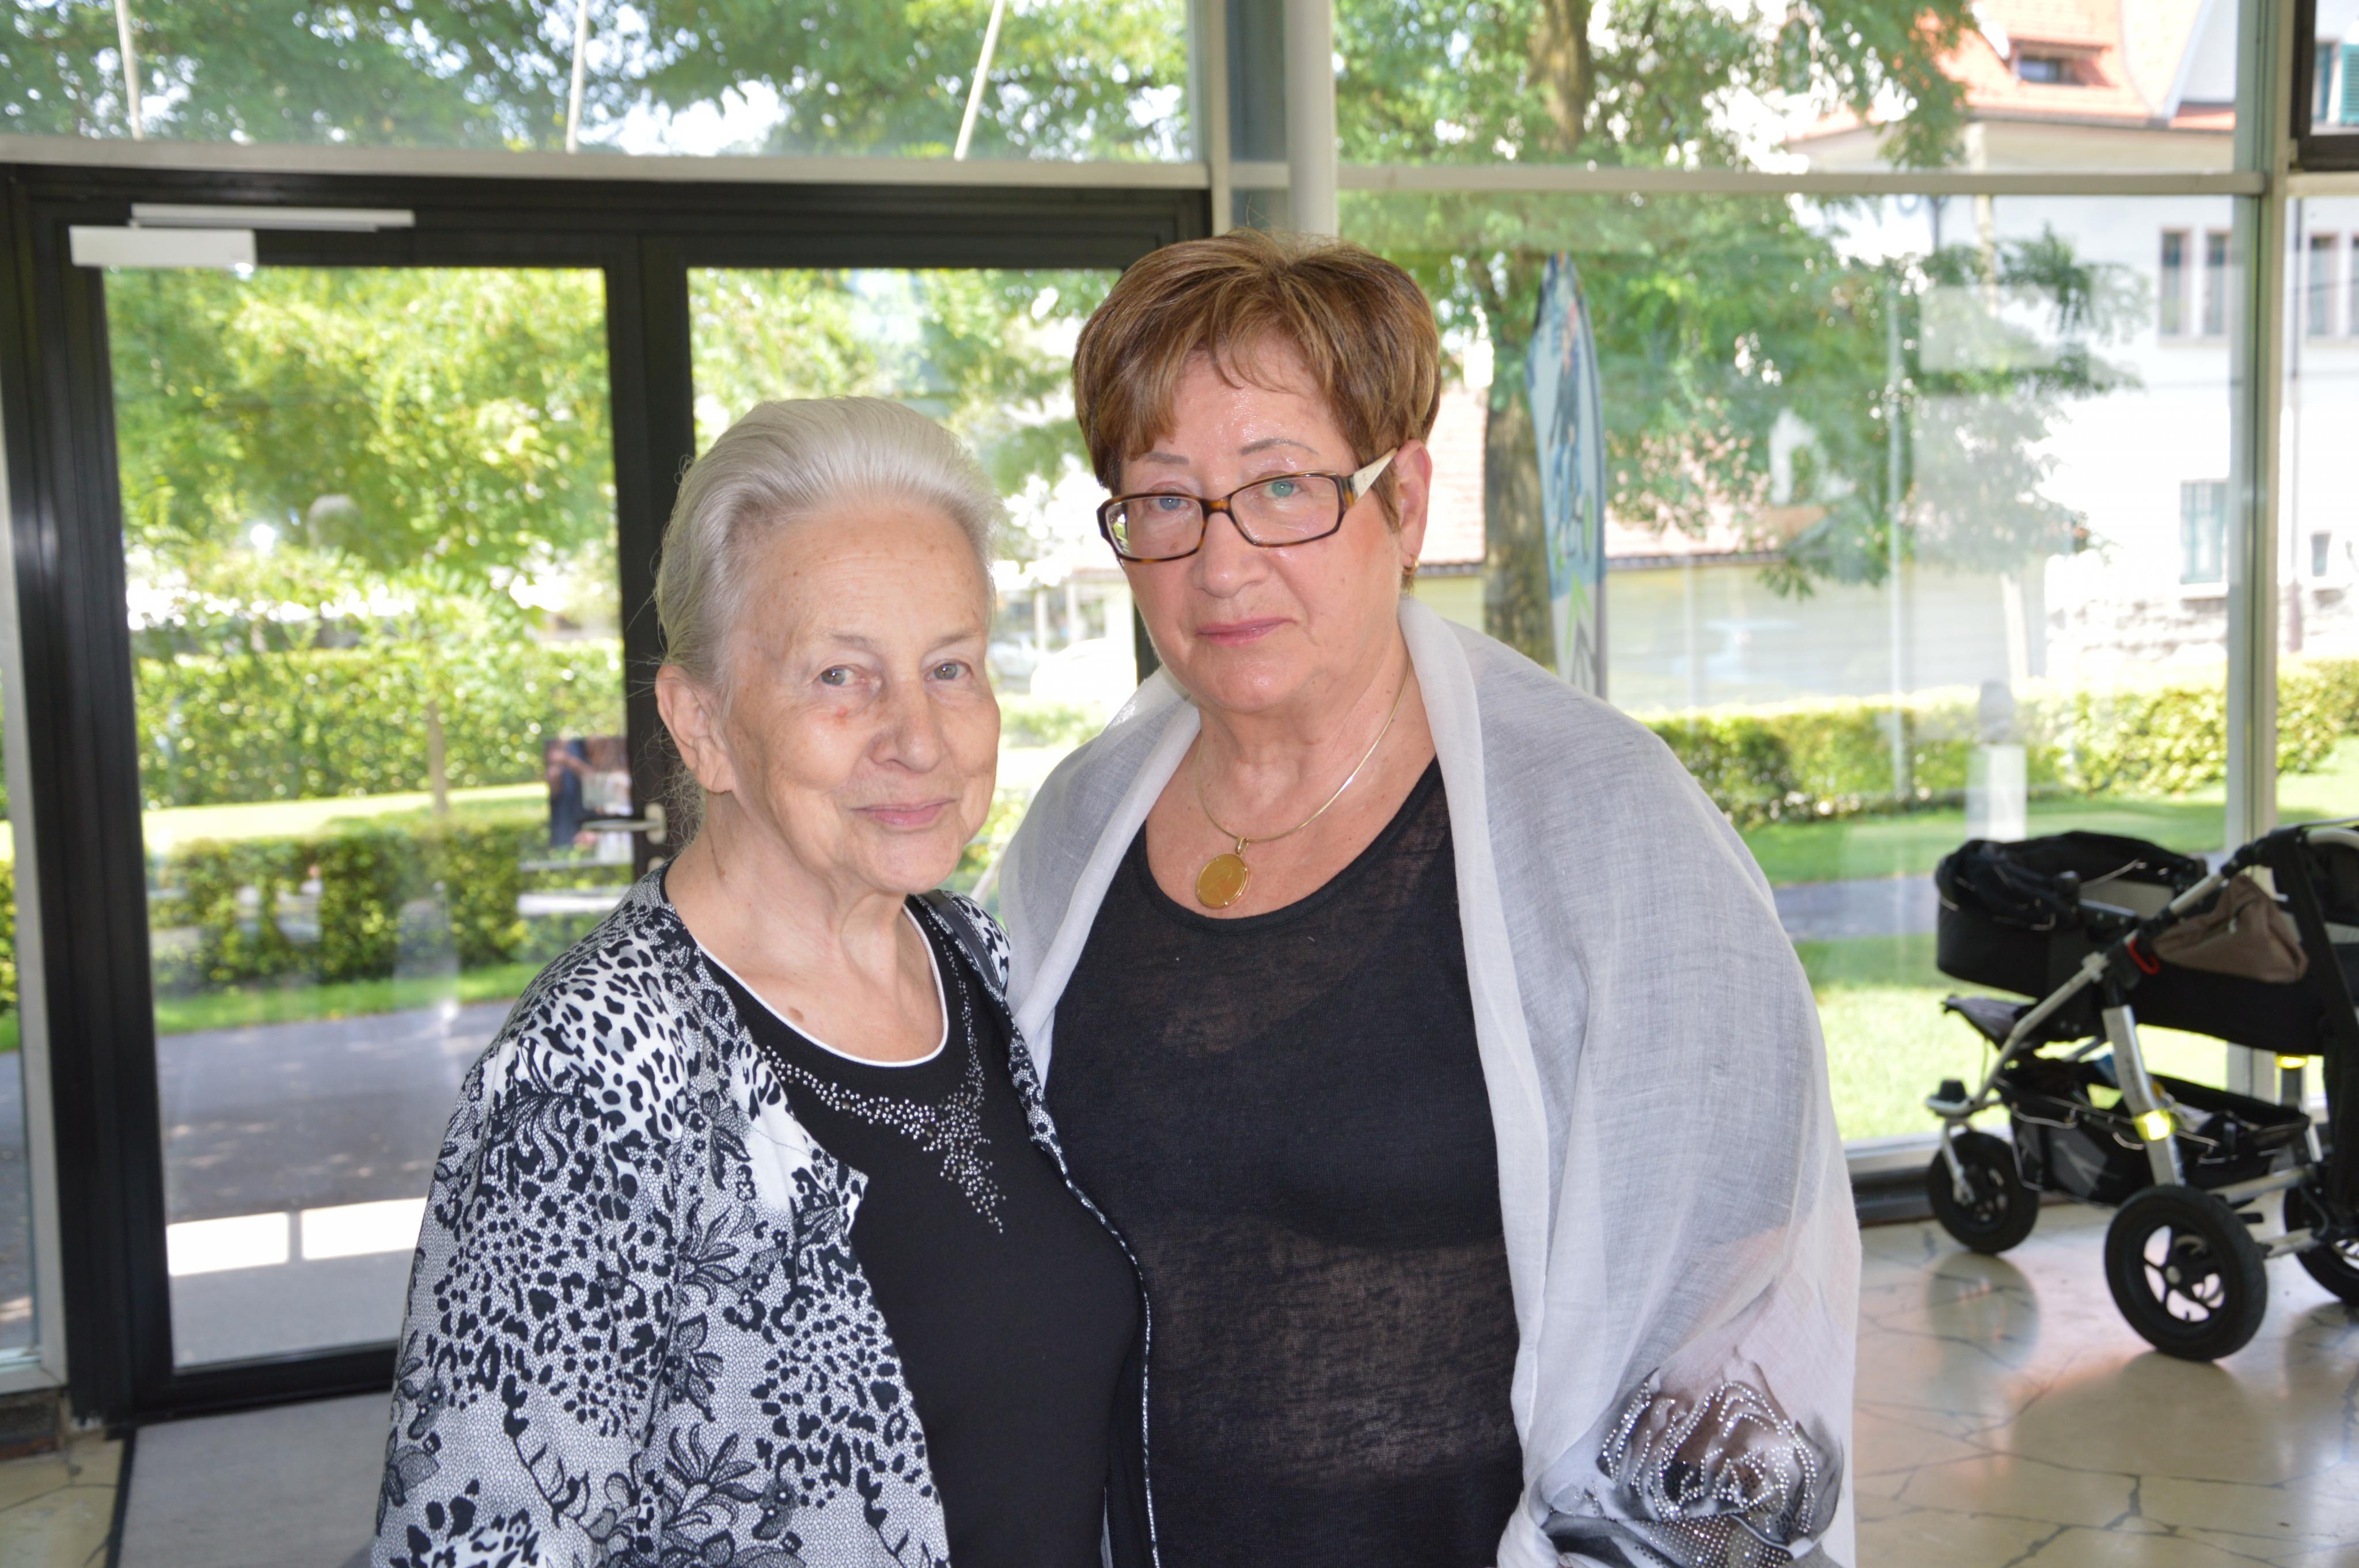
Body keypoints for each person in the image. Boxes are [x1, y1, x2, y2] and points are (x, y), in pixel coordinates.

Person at [998, 232, 1860, 1568]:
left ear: (1401, 499)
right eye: (1163, 500)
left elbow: (1747, 1288)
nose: (1219, 563)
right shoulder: (1076, 827)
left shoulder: (1598, 820)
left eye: (1282, 486)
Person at [373, 398, 1148, 1568]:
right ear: (702, 725)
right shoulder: (591, 1077)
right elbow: (468, 1542)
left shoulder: (968, 959)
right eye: (840, 675)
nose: (918, 737)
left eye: (950, 667)